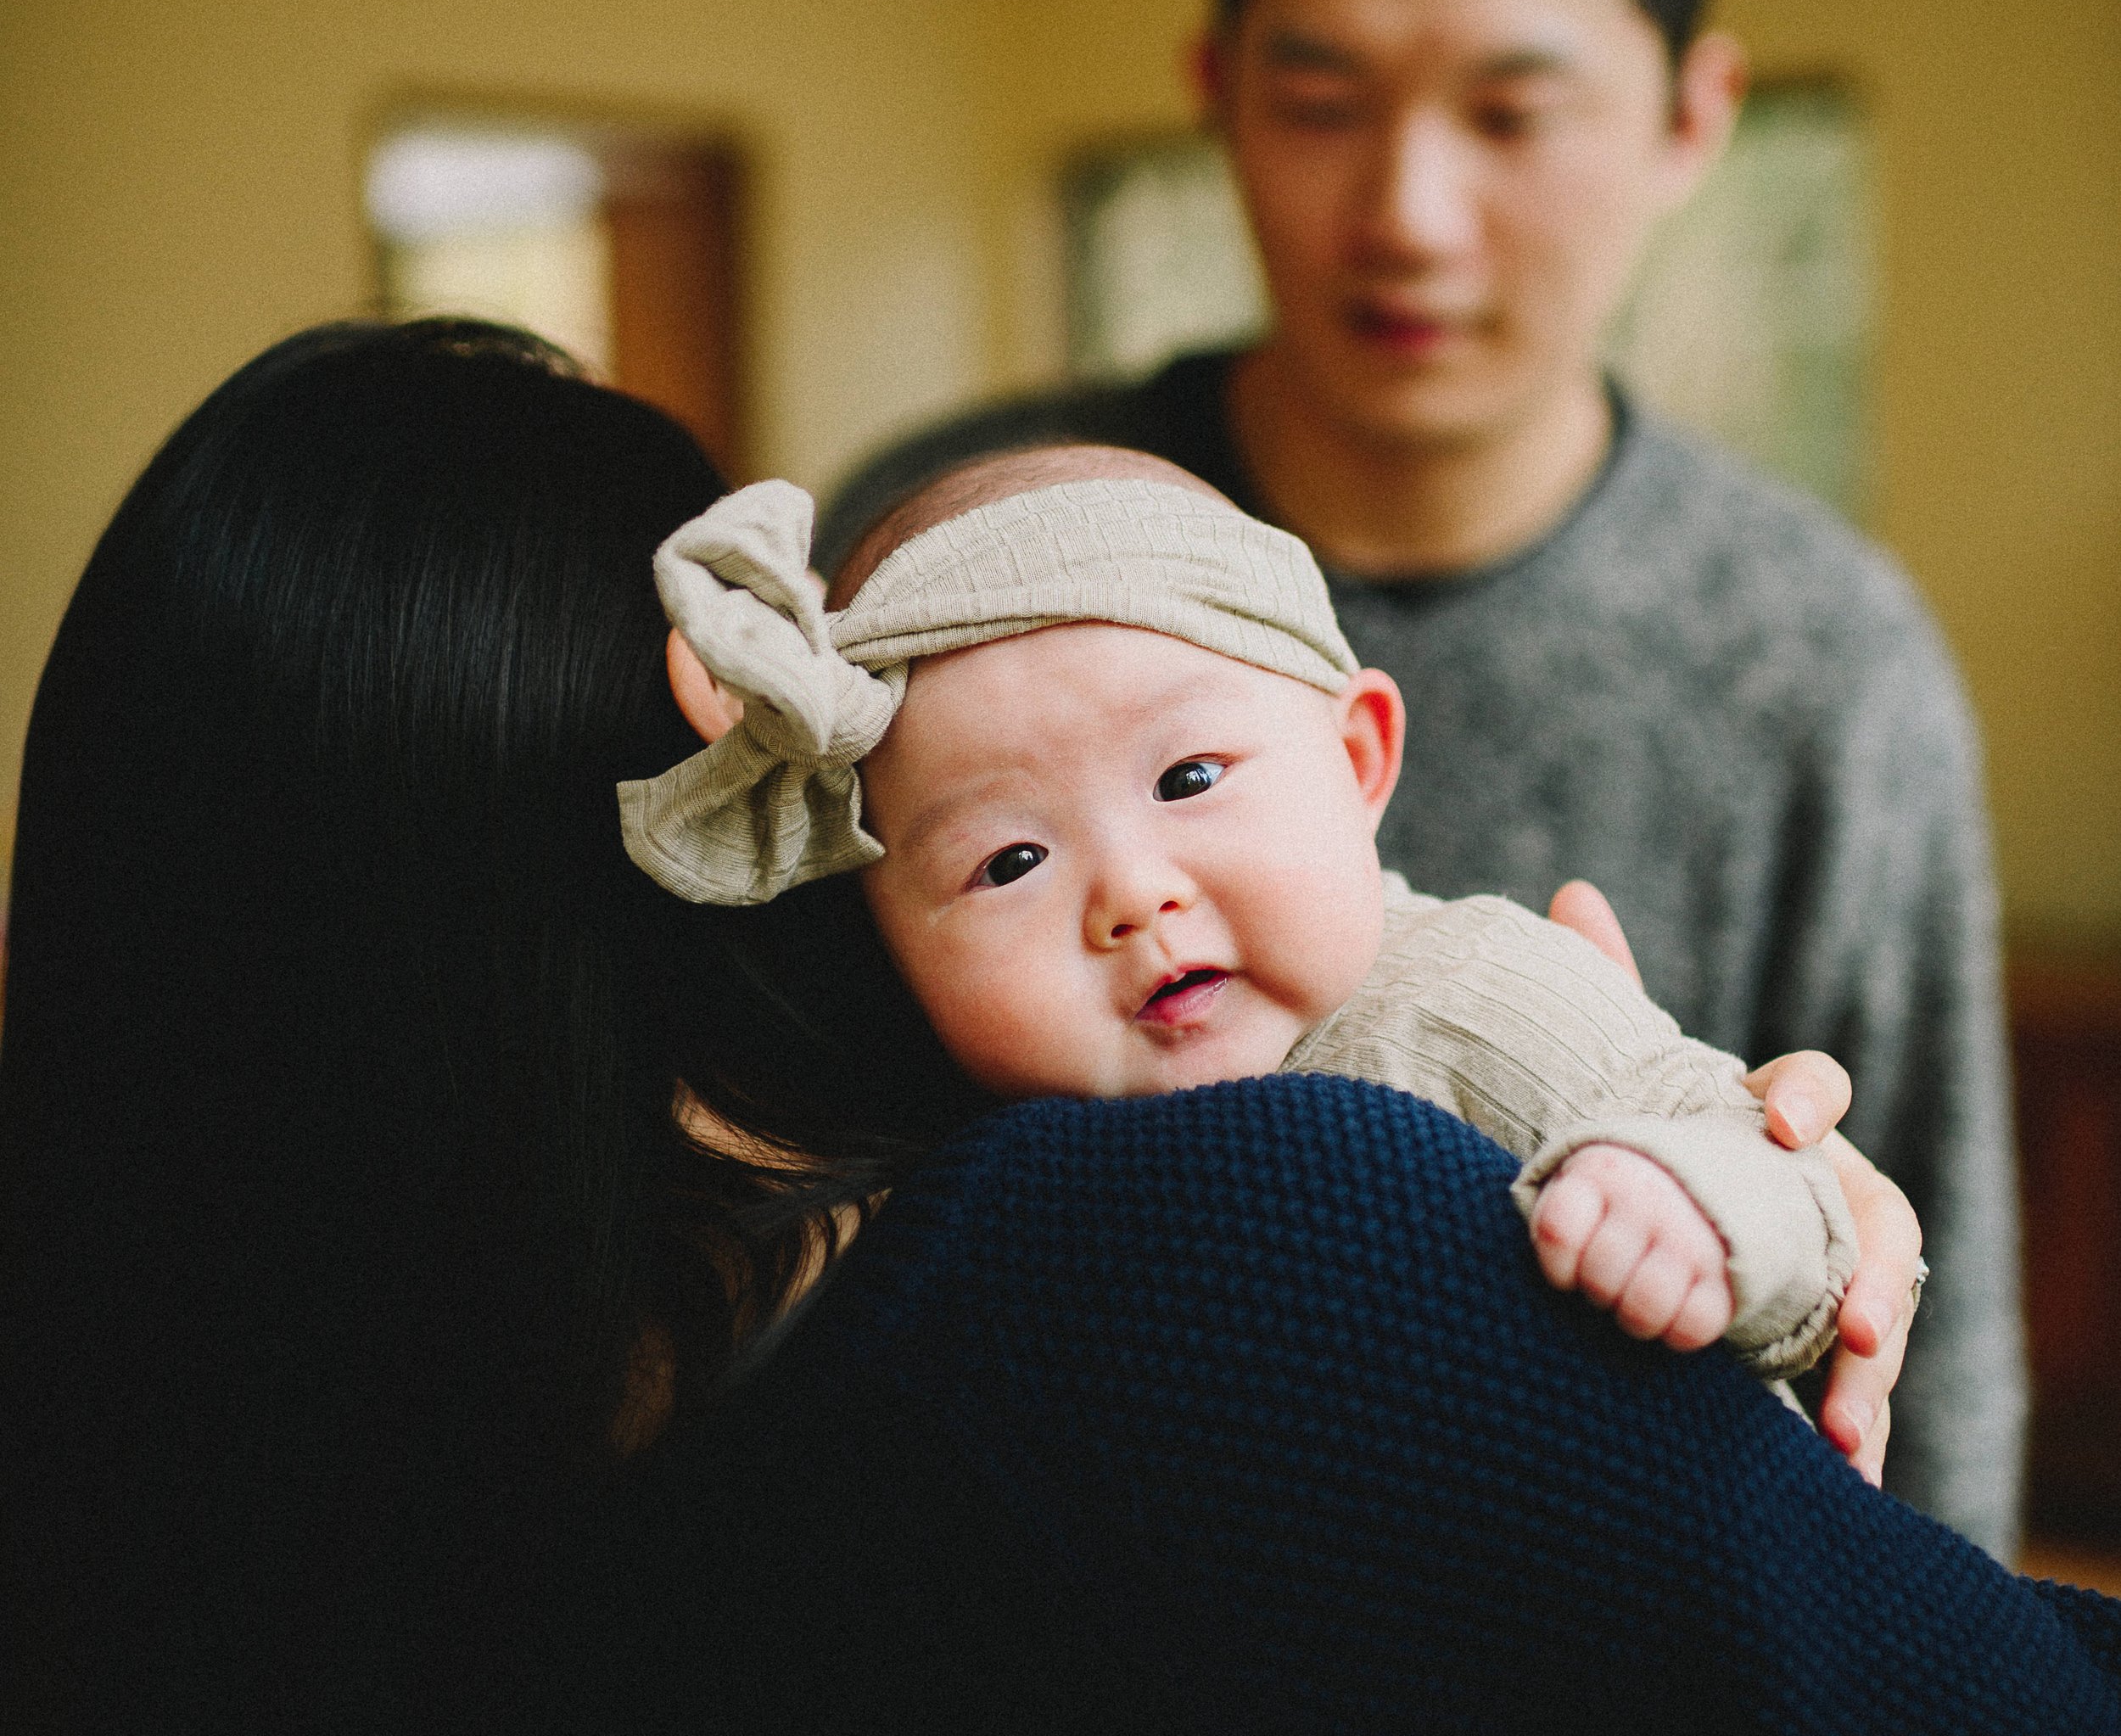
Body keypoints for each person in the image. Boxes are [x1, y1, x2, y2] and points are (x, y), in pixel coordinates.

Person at [9, 322, 2113, 1736]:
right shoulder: (1226, 1274)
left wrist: (1651, 1148)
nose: (1125, 894)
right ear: (724, 832)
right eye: (989, 845)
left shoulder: (435, 1689)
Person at [818, 0, 2024, 1555]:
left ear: (1690, 115)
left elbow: (1921, 1338)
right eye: (1317, 100)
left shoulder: (1818, 654)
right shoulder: (943, 568)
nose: (1407, 210)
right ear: (1212, 91)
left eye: (1511, 108)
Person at [624, 445, 1867, 1400]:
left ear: (1358, 756)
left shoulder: (1469, 996)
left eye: (1188, 781)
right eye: (1009, 859)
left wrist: (1686, 1199)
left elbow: (1796, 1185)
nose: (1131, 897)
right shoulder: (979, 1163)